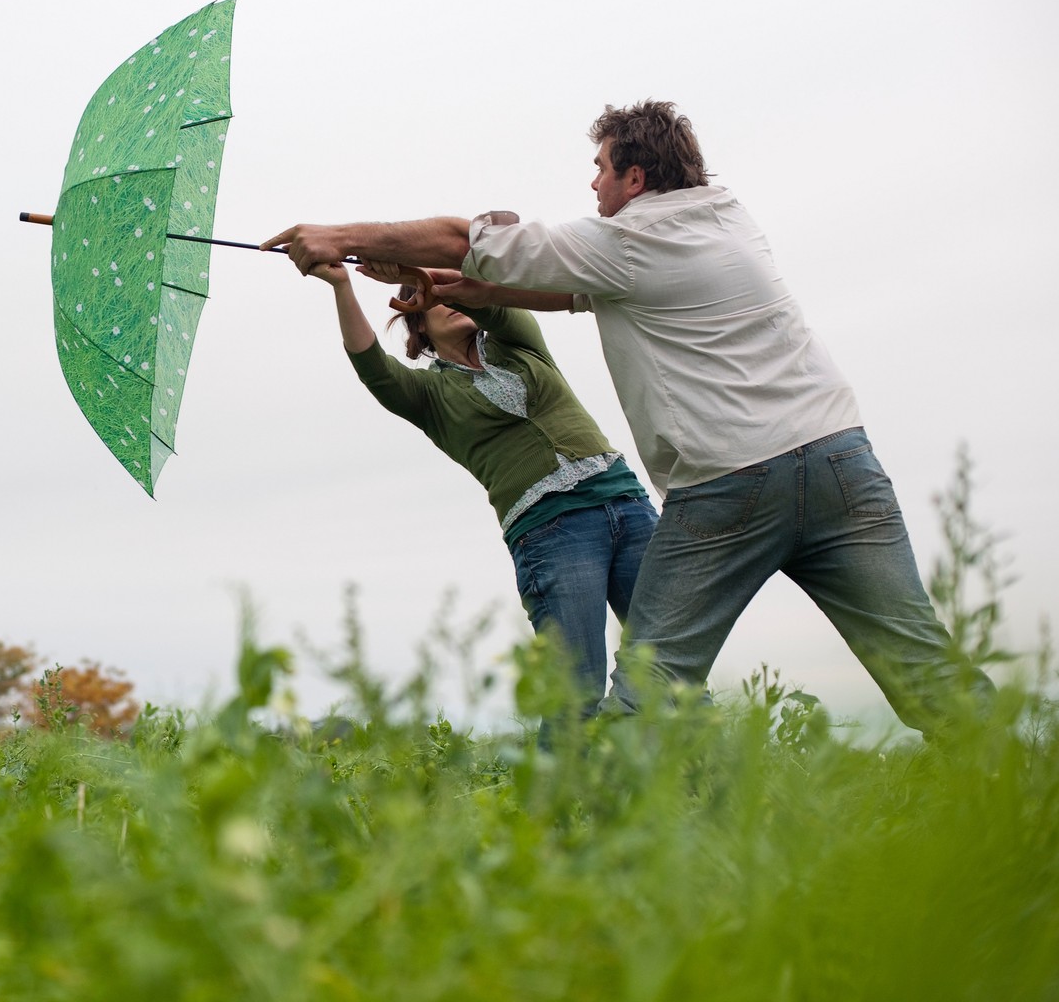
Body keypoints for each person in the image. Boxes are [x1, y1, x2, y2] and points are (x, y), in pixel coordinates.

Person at [263, 101, 990, 732]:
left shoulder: (626, 245)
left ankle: (603, 857)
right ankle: (1015, 797)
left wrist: (338, 236)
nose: (593, 182)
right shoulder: (728, 217)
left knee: (651, 692)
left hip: (731, 487)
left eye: (602, 167)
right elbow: (569, 290)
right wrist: (450, 284)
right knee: (924, 667)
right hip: (840, 460)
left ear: (634, 179)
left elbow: (468, 238)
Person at [299, 257, 656, 718]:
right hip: (553, 532)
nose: (449, 298)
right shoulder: (428, 396)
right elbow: (373, 367)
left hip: (626, 503)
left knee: (667, 665)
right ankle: (570, 790)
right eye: (435, 299)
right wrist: (341, 285)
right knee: (575, 692)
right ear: (420, 328)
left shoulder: (516, 343)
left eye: (453, 290)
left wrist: (437, 278)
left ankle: (696, 785)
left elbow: (498, 305)